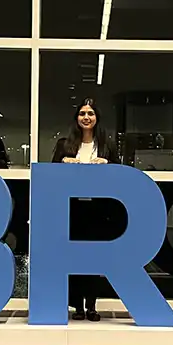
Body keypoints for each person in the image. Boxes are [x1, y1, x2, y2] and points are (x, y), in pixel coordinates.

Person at [51, 98, 119, 322]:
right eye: (82, 113)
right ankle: (77, 306)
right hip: (72, 209)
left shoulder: (107, 146)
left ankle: (91, 305)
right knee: (73, 258)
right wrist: (64, 163)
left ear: (97, 117)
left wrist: (106, 165)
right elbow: (51, 174)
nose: (86, 117)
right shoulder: (64, 144)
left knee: (94, 258)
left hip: (98, 210)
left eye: (90, 113)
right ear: (76, 118)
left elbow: (120, 174)